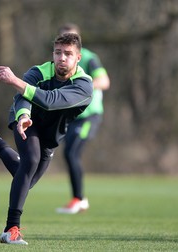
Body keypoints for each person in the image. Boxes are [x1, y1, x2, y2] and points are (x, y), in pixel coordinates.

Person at [0, 33, 92, 245]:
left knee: (26, 180)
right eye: (58, 53)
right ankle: (11, 228)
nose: (62, 58)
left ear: (78, 57)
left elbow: (51, 101)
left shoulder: (84, 86)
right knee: (29, 162)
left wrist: (14, 81)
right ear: (53, 54)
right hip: (27, 124)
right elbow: (22, 98)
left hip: (50, 138)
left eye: (68, 54)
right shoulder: (37, 72)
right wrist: (23, 116)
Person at [55, 23, 110, 214]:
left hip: (88, 115)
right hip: (71, 116)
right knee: (68, 154)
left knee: (72, 153)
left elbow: (104, 81)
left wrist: (81, 88)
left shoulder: (89, 58)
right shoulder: (59, 62)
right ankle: (79, 199)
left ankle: (78, 199)